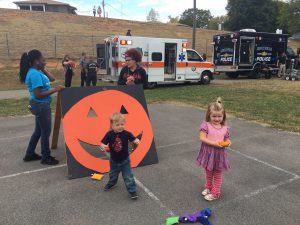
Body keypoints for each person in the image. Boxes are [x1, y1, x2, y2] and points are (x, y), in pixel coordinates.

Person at [19, 49, 64, 165]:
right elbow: (38, 94)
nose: (45, 62)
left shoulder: (37, 71)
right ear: (36, 61)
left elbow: (52, 79)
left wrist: (42, 68)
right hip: (41, 105)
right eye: (43, 60)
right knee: (45, 132)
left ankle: (29, 154)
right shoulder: (34, 74)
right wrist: (55, 89)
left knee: (38, 131)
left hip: (39, 105)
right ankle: (46, 157)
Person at [196, 97, 231, 201]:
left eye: (219, 116)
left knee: (217, 173)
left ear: (223, 116)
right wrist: (215, 143)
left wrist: (228, 143)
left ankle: (215, 193)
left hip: (219, 155)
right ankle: (208, 187)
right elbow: (202, 138)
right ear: (209, 115)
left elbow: (227, 139)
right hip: (208, 154)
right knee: (208, 171)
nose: (216, 118)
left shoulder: (225, 128)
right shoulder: (206, 125)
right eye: (214, 116)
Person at [100, 113, 140, 199]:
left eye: (122, 124)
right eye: (117, 125)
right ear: (112, 125)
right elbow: (102, 143)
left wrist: (136, 140)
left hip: (125, 160)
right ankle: (111, 183)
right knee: (113, 174)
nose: (120, 126)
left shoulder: (127, 133)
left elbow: (134, 138)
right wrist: (103, 146)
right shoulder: (109, 134)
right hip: (114, 160)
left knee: (128, 176)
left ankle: (132, 191)